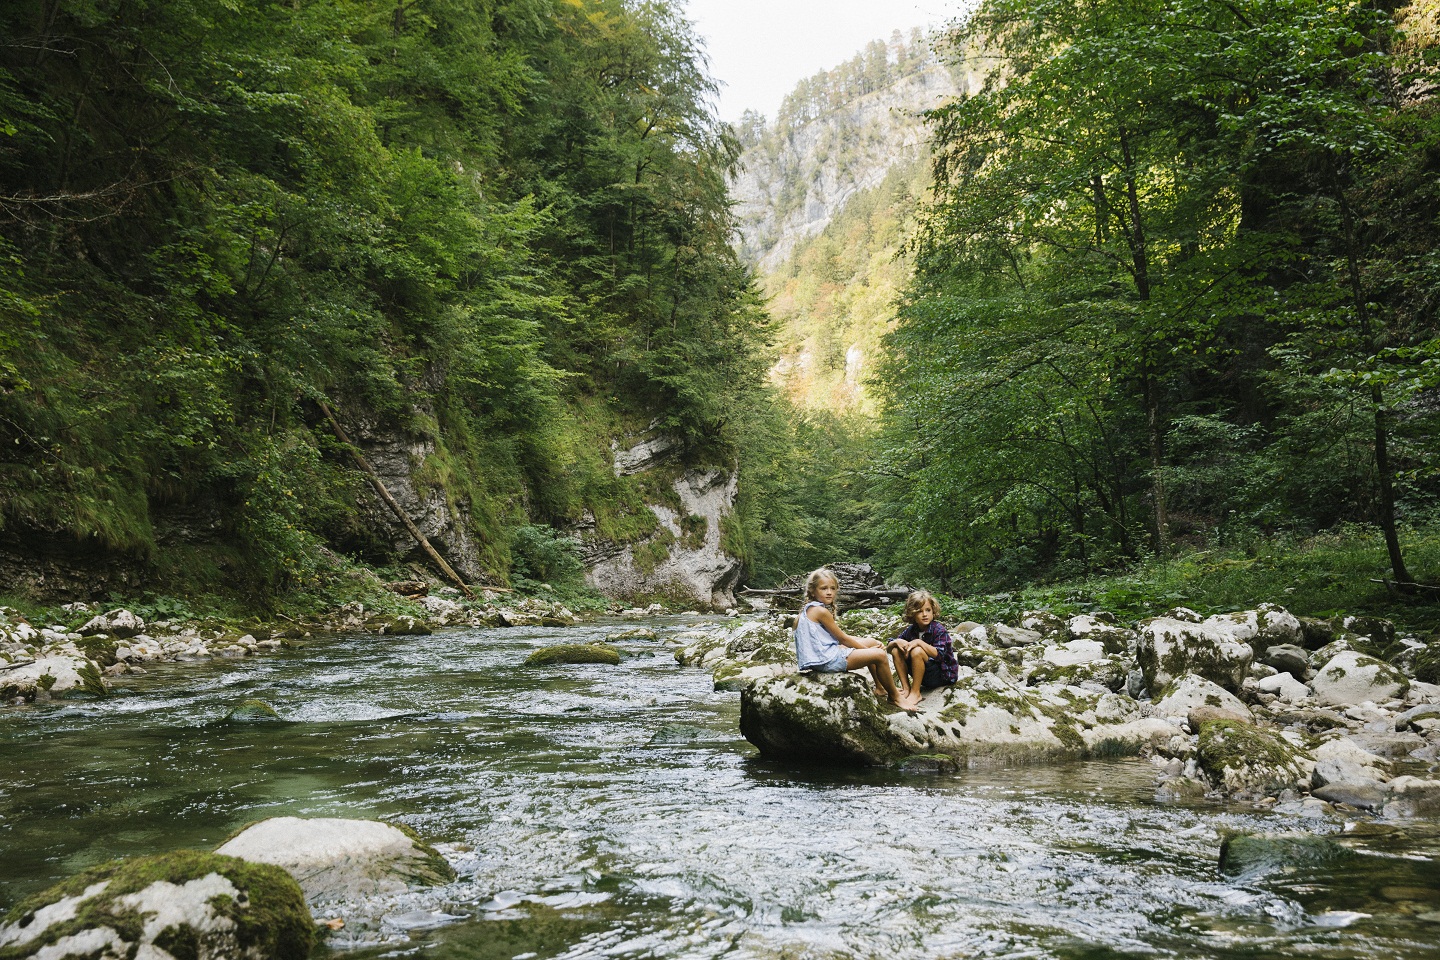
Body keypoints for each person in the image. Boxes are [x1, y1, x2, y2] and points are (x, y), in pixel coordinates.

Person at [794, 567, 917, 711]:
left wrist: (867, 644)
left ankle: (880, 687)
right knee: (878, 655)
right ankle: (894, 696)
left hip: (822, 654)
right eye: (824, 588)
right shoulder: (820, 611)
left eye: (832, 588)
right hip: (825, 660)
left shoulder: (809, 609)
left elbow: (835, 637)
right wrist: (867, 651)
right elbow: (843, 639)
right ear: (813, 591)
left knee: (872, 641)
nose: (829, 592)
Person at [886, 590, 958, 703]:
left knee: (917, 651)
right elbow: (889, 649)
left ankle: (916, 693)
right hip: (922, 674)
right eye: (919, 611)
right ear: (912, 614)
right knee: (896, 650)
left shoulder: (938, 630)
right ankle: (906, 688)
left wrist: (919, 642)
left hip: (940, 675)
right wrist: (895, 642)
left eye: (928, 610)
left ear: (933, 611)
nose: (925, 614)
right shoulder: (911, 630)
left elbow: (939, 655)